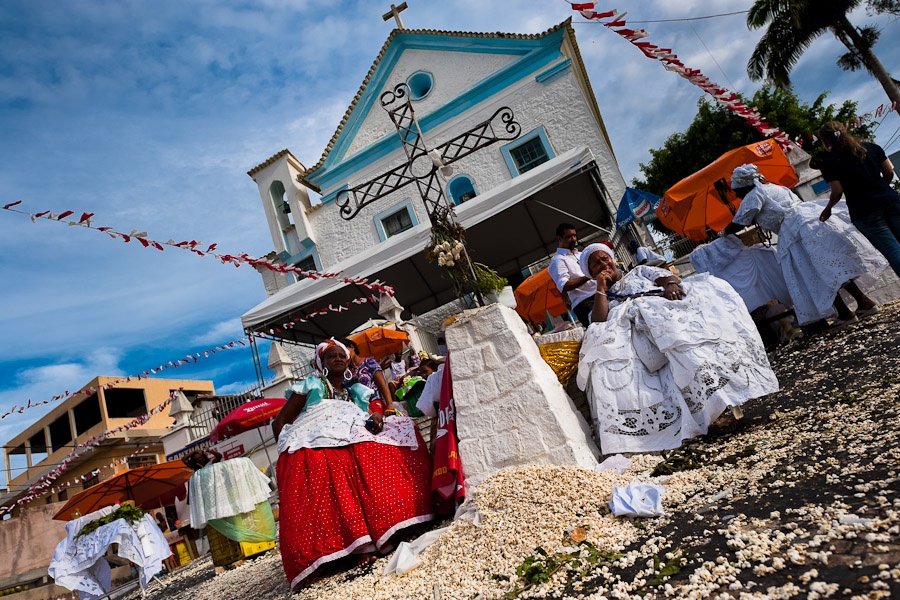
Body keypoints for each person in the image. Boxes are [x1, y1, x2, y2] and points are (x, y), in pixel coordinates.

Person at [577, 243, 779, 455]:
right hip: (637, 330)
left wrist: (671, 285)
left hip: (662, 312)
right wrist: (601, 287)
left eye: (604, 259)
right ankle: (695, 420)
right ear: (591, 274)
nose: (603, 264)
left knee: (686, 348)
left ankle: (717, 410)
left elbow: (666, 278)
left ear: (612, 259)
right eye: (596, 264)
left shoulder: (638, 271)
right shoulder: (604, 296)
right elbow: (597, 321)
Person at [272, 339, 433, 590]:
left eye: (341, 356)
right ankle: (356, 545)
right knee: (332, 466)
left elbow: (368, 412)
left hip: (349, 430)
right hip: (315, 435)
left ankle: (397, 523)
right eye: (331, 356)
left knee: (395, 434)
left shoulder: (354, 389)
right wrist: (287, 454)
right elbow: (280, 422)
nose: (338, 359)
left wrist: (378, 415)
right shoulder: (312, 386)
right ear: (321, 363)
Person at [725, 164, 885, 327]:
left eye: (737, 190)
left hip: (795, 232)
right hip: (808, 220)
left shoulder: (753, 195)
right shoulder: (775, 187)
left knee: (815, 272)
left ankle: (845, 313)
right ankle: (864, 303)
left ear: (744, 185)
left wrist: (722, 234)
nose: (737, 195)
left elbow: (737, 223)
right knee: (828, 268)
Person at [818, 121, 900, 278]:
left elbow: (837, 191)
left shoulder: (829, 162)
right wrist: (881, 188)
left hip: (864, 211)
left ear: (824, 141)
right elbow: (888, 172)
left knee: (893, 251)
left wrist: (828, 208)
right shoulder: (871, 148)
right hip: (891, 201)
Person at [548, 223, 597, 327]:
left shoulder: (581, 254)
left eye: (574, 235)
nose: (574, 239)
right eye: (569, 236)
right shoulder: (558, 260)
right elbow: (564, 286)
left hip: (599, 294)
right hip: (584, 303)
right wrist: (588, 276)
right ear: (559, 238)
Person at [342, 338, 394, 412]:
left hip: (374, 404)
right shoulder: (346, 372)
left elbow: (382, 384)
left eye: (345, 351)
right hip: (357, 409)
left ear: (352, 347)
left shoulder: (369, 362)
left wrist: (390, 404)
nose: (345, 355)